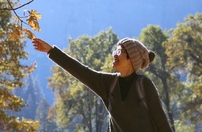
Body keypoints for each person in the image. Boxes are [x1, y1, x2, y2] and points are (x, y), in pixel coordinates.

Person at [32, 37, 173, 132]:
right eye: (115, 50)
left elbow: (161, 123)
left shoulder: (143, 85)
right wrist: (51, 51)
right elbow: (81, 71)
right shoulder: (109, 84)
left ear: (132, 59)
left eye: (120, 51)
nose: (114, 54)